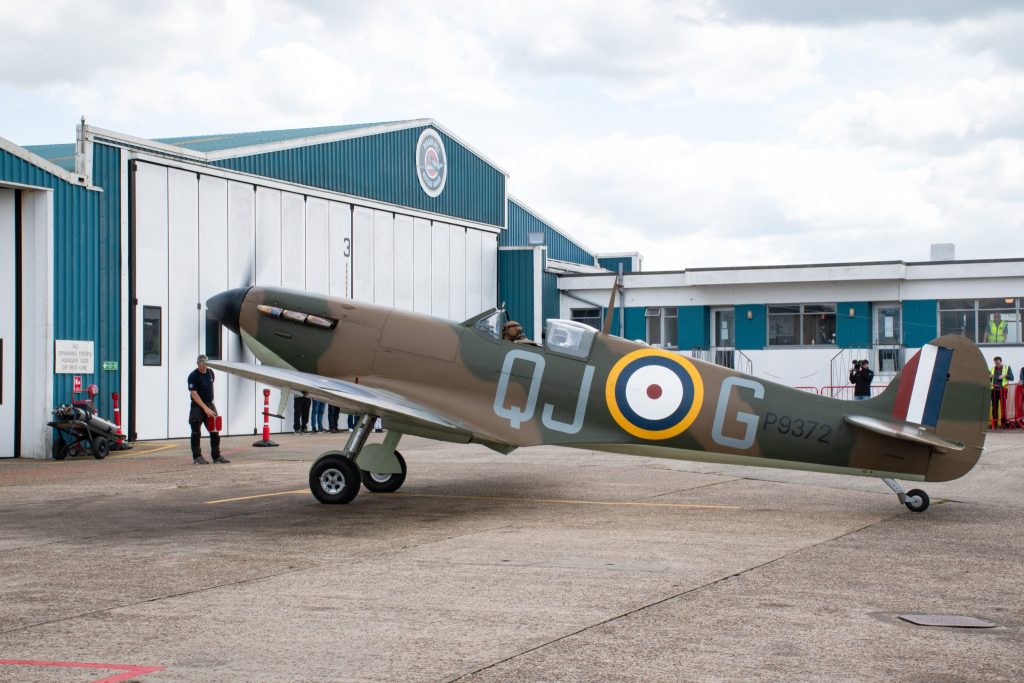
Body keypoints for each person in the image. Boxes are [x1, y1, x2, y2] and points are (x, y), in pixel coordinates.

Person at [187, 354, 228, 464]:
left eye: (205, 363)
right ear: (197, 363)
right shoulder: (193, 376)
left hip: (210, 404)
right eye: (201, 363)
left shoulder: (210, 373)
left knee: (215, 430)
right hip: (197, 406)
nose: (204, 365)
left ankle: (216, 456)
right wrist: (204, 408)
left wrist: (210, 407)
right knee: (196, 431)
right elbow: (194, 394)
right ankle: (197, 457)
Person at [990, 356, 1014, 428]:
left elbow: (1012, 378)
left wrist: (1005, 375)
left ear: (1001, 362)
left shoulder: (1007, 368)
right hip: (994, 391)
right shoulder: (992, 369)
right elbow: (989, 380)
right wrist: (989, 376)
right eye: (996, 363)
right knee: (994, 407)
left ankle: (1004, 423)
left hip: (1003, 390)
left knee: (1003, 407)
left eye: (998, 363)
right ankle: (995, 423)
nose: (997, 364)